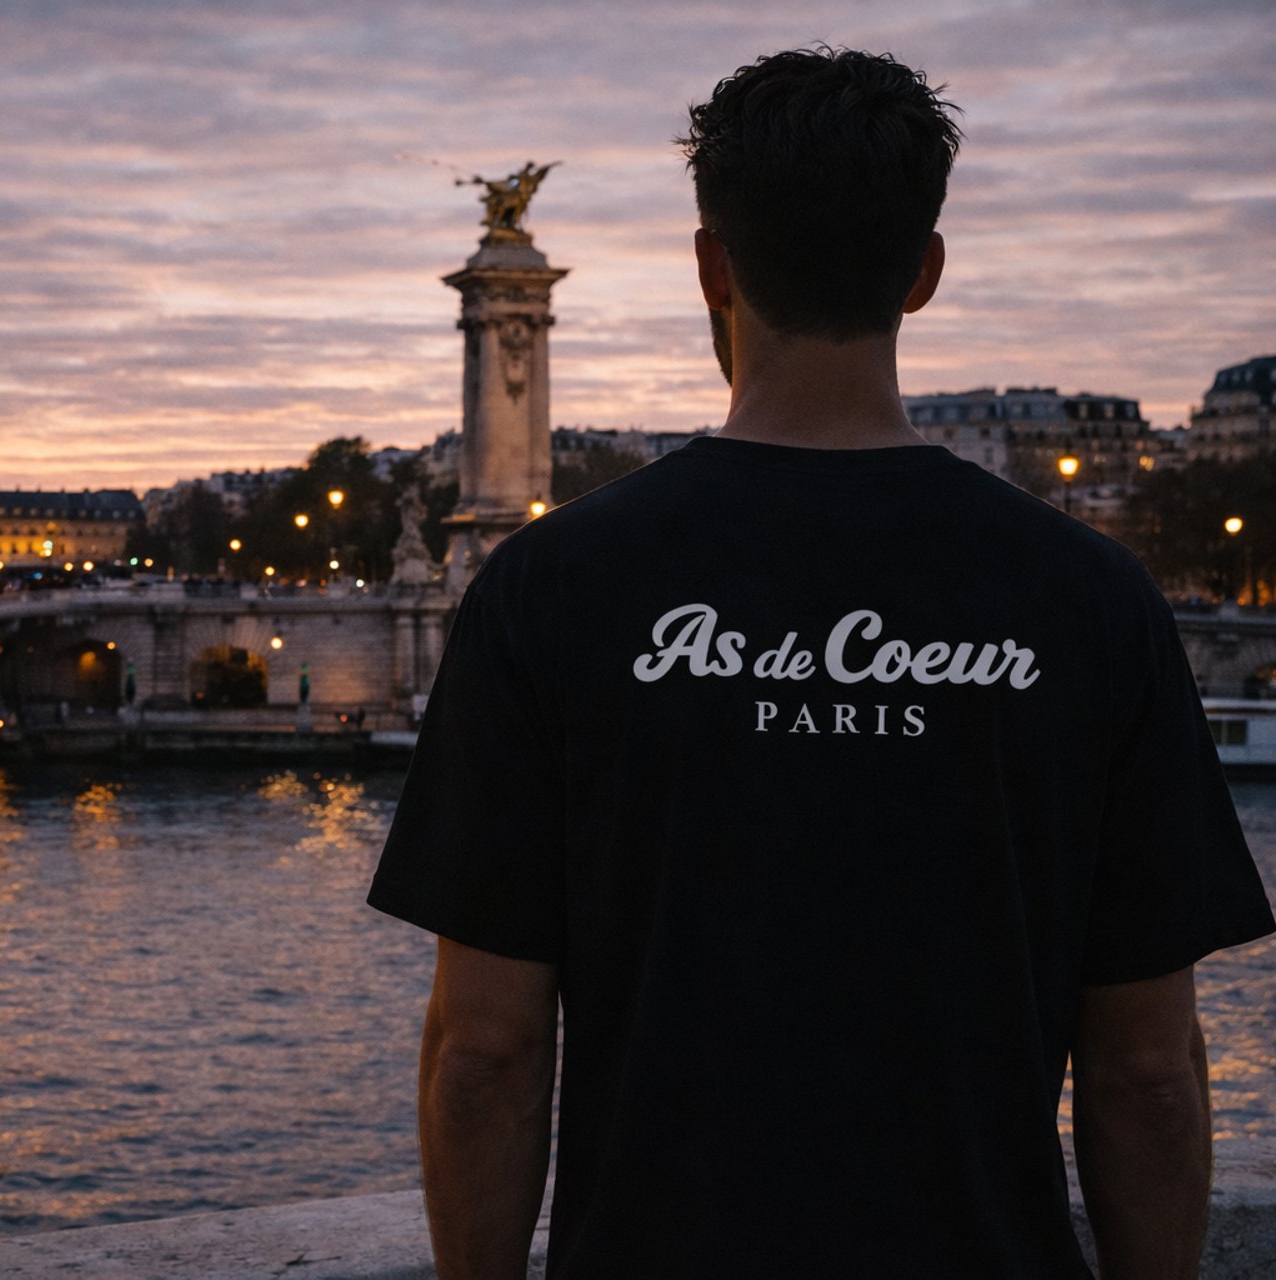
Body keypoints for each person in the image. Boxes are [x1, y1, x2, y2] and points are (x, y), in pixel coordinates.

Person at [368, 46, 1275, 1279]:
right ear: (925, 273)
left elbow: (486, 1052)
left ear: (711, 266)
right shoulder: (1092, 600)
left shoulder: (550, 588)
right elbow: (1148, 1067)